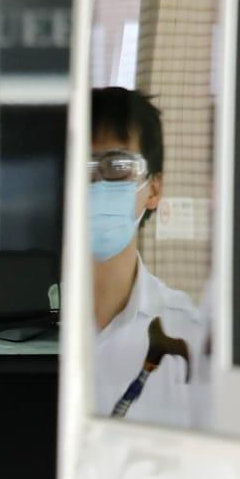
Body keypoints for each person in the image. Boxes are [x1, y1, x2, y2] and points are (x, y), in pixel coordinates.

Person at [90, 86, 207, 424]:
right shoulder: (18, 331)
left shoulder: (187, 333)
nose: (96, 185)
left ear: (154, 189)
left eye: (118, 167)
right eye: (80, 169)